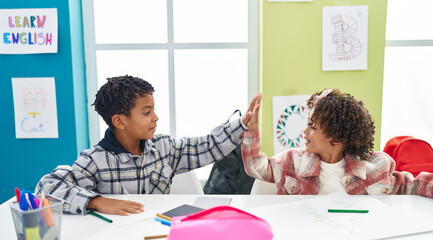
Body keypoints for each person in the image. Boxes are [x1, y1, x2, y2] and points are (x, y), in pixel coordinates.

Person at [36, 75, 261, 215]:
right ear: (119, 121)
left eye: (153, 109)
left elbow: (207, 146)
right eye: (146, 112)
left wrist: (241, 125)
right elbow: (46, 189)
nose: (155, 117)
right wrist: (96, 201)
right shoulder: (95, 160)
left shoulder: (164, 148)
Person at [242, 89, 433, 196]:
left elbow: (412, 185)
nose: (305, 131)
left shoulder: (374, 169)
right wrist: (251, 132)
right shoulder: (293, 162)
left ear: (337, 137)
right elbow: (256, 167)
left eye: (313, 126)